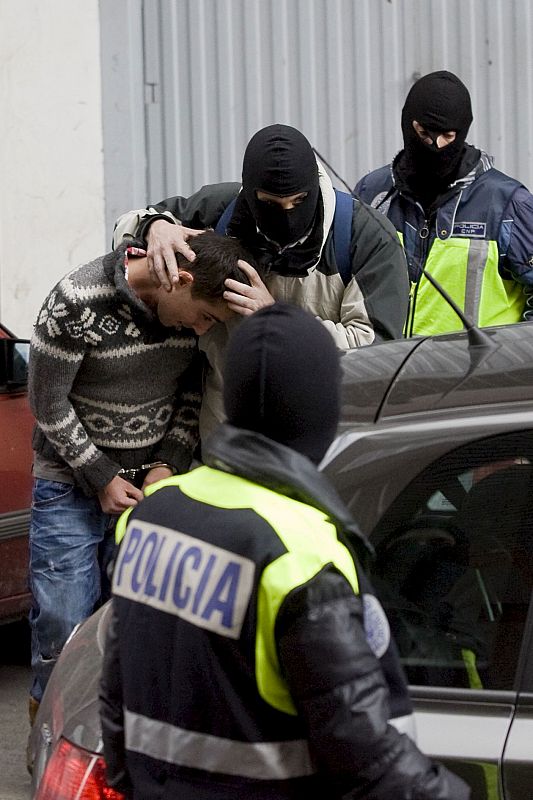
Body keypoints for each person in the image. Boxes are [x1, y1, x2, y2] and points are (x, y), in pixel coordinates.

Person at [99, 303, 469, 800]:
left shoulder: (151, 515)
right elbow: (367, 760)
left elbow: (114, 698)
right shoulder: (301, 554)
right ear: (320, 408)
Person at [27, 231, 254, 721]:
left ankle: (111, 737)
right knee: (63, 621)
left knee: (130, 623)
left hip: (145, 492)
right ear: (181, 280)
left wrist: (166, 464)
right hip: (69, 484)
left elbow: (191, 393)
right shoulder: (76, 301)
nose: (200, 330)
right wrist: (100, 474)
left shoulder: (184, 322)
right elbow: (46, 401)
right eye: (206, 316)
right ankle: (50, 729)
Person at [113, 123, 409, 443]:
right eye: (270, 203)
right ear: (251, 193)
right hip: (224, 443)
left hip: (317, 447)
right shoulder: (220, 210)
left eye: (298, 202)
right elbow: (124, 233)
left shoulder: (366, 239)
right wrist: (154, 226)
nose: (287, 214)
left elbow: (377, 356)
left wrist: (279, 320)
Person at [355, 70, 533, 337]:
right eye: (424, 134)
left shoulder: (507, 206)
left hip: (480, 374)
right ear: (407, 124)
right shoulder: (372, 194)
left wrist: (511, 362)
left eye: (448, 136)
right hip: (386, 371)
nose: (435, 146)